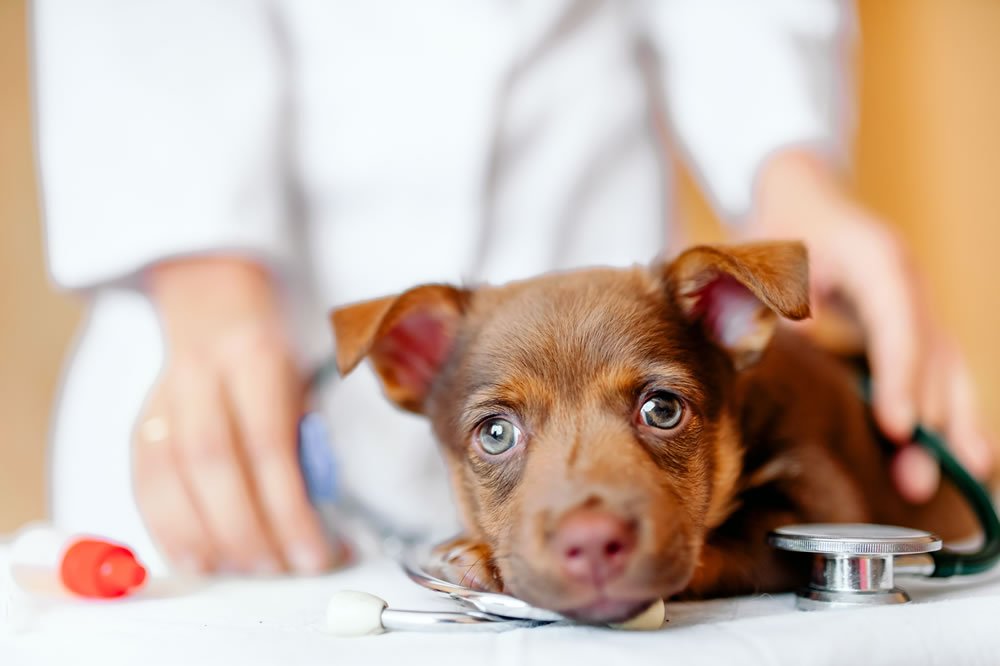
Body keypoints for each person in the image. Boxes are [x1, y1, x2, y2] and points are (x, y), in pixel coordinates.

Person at [33, 0, 993, 577]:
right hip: (227, 383)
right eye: (496, 428)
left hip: (590, 228)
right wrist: (205, 283)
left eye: (662, 408)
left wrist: (789, 165)